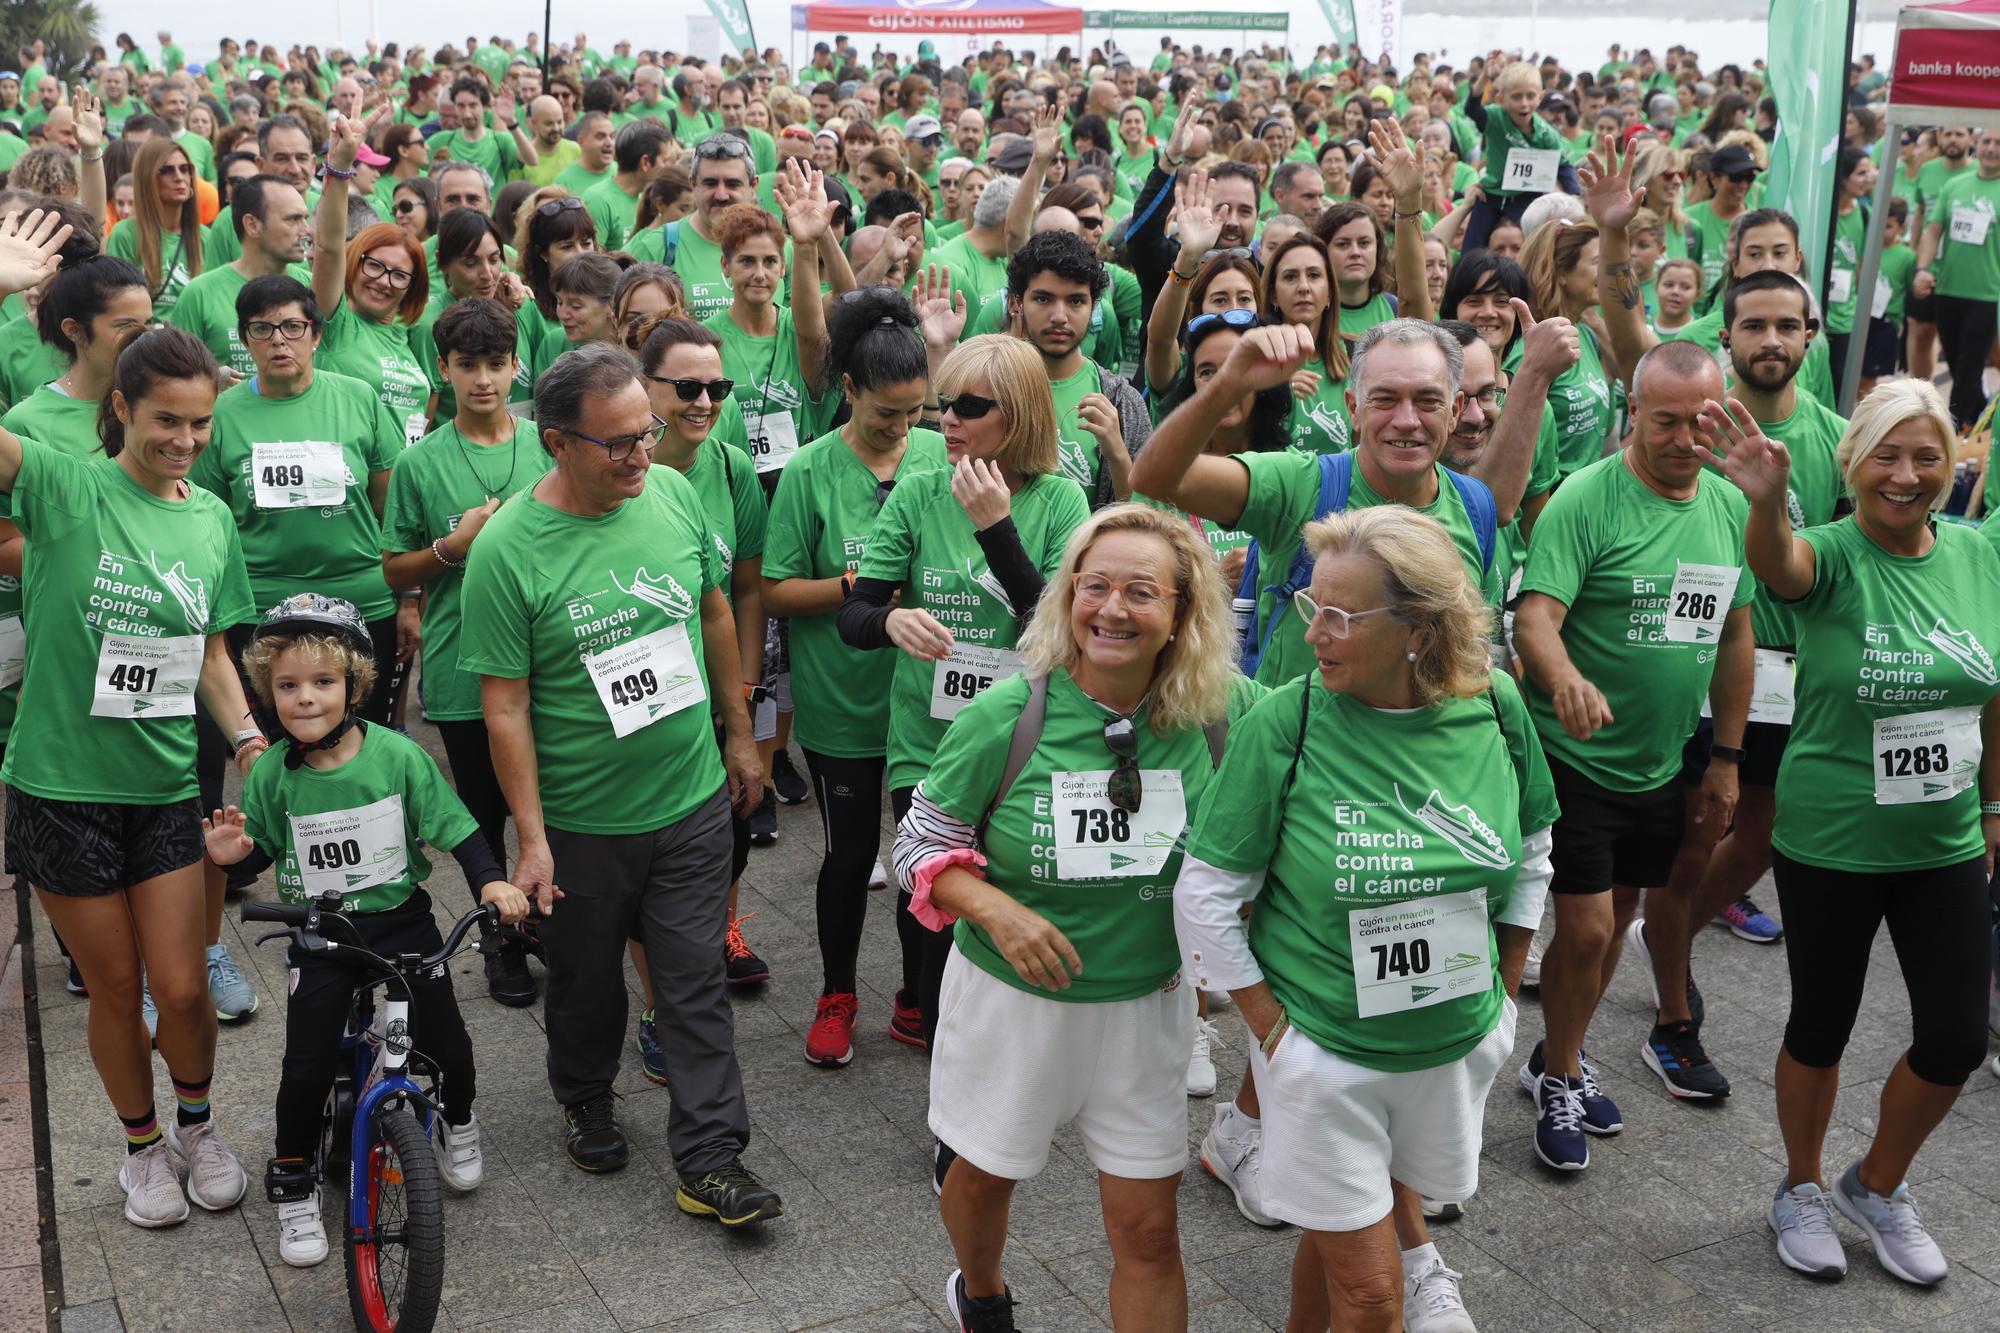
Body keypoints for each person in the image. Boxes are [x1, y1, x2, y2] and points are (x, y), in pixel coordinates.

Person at [1178, 505, 1557, 1333]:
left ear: (1421, 627)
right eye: (1313, 606)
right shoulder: (1291, 718)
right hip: (1326, 1054)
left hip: (1449, 1049)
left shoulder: (1493, 705)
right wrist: (1274, 1036)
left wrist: (1504, 991)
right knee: (1377, 1296)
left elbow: (1531, 851)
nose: (1315, 633)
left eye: (1341, 616)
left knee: (1338, 1241)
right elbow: (1204, 892)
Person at [897, 503, 1239, 1333]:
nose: (1112, 609)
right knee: (981, 1181)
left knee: (1151, 1230)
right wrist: (992, 907)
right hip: (1013, 1005)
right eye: (1095, 587)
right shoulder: (1010, 715)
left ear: (1181, 614)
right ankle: (980, 1290)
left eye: (1141, 592)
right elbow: (918, 844)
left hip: (1144, 1007)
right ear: (1068, 595)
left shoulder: (1224, 715)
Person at [459, 345, 780, 1225]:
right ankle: (585, 1093)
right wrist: (531, 837)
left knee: (693, 984)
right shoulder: (506, 550)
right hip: (582, 825)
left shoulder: (671, 495)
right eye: (621, 443)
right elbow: (507, 708)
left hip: (688, 802)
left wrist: (741, 734)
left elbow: (714, 611)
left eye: (647, 430)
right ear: (557, 443)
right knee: (586, 982)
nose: (644, 453)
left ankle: (711, 1159)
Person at [1697, 380, 1996, 1287]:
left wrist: (1992, 810)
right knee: (1821, 1023)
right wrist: (1760, 500)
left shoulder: (1981, 557)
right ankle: (1799, 1184)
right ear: (1852, 464)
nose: (1905, 476)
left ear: (1954, 464)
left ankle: (1877, 1183)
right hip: (1831, 838)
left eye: (1926, 456)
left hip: (1943, 841)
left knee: (1955, 1038)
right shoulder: (1825, 554)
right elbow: (1779, 564)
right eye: (1886, 456)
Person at [0, 285, 261, 1227]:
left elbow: (212, 652)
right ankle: (142, 1148)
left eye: (198, 423)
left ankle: (200, 1124)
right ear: (120, 407)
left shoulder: (212, 520)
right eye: (165, 420)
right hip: (60, 787)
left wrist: (247, 736)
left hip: (162, 785)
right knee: (115, 988)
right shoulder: (64, 486)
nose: (183, 439)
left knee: (185, 984)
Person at [200, 593, 531, 1266]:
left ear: (353, 685)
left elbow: (459, 829)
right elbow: (267, 847)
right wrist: (239, 857)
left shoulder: (397, 757)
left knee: (451, 1045)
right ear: (268, 692)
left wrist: (491, 880)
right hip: (320, 931)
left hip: (399, 919)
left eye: (322, 682)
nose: (304, 698)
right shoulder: (271, 775)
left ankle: (458, 1121)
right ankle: (294, 1179)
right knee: (305, 1067)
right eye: (287, 685)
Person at [1510, 339, 1754, 1170]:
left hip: (1664, 760)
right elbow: (1535, 616)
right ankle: (1560, 1073)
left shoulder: (1725, 505)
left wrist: (1725, 755)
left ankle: (1560, 1053)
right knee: (1581, 929)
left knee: (1616, 923)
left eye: (1701, 422)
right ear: (1633, 415)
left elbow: (1734, 635)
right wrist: (1567, 678)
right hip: (1573, 758)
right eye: (1666, 421)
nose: (1685, 438)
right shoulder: (1587, 498)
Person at [839, 333, 1091, 1047]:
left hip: (1021, 742)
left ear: (1019, 415)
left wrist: (995, 529)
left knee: (1001, 897)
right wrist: (890, 620)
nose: (947, 419)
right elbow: (853, 615)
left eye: (970, 406)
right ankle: (933, 1025)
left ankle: (979, 1027)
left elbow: (1062, 627)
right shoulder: (920, 490)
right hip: (926, 740)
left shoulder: (1061, 497)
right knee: (934, 899)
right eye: (944, 404)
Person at [765, 287, 949, 1065]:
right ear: (848, 390)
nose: (903, 430)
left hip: (928, 704)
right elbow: (774, 587)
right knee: (847, 856)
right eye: (886, 414)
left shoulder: (943, 456)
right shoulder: (808, 470)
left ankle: (916, 997)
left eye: (915, 413)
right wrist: (861, 587)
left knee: (923, 861)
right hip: (841, 699)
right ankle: (838, 992)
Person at [380, 297, 549, 1006]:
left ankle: (551, 917)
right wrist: (453, 545)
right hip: (461, 665)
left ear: (517, 366)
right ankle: (501, 937)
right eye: (468, 365)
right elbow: (394, 570)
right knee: (482, 811)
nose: (484, 380)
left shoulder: (548, 441)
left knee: (553, 803)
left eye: (497, 364)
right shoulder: (420, 463)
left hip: (550, 660)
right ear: (442, 369)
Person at [635, 313, 771, 1061]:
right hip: (639, 701)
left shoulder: (732, 467)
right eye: (687, 386)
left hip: (718, 693)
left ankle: (715, 935)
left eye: (717, 387)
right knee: (647, 865)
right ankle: (658, 1009)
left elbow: (744, 588)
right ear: (644, 384)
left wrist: (743, 693)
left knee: (724, 839)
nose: (705, 400)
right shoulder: (618, 473)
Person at [189, 276, 406, 726]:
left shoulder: (358, 398)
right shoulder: (222, 414)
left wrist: (410, 600)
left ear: (316, 333)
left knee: (366, 745)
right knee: (281, 748)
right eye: (261, 329)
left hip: (363, 599)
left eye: (292, 327)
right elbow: (208, 523)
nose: (278, 341)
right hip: (264, 608)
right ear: (245, 339)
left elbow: (392, 509)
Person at [313, 110, 434, 446]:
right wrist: (340, 167)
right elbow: (328, 247)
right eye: (375, 266)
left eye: (399, 275)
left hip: (401, 488)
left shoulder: (403, 336)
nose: (383, 281)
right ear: (356, 262)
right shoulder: (335, 322)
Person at [166, 174, 309, 379]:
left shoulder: (311, 287)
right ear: (252, 225)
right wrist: (214, 382)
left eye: (306, 218)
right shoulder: (200, 293)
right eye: (293, 219)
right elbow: (175, 377)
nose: (306, 230)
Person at [1914, 127, 2000, 431]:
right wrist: (1922, 269)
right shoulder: (1955, 186)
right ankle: (1978, 418)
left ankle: (1952, 429)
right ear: (1977, 144)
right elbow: (1933, 230)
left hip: (1988, 294)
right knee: (1954, 361)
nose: (1991, 148)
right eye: (1987, 141)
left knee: (1968, 367)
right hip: (1948, 289)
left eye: (1998, 143)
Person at [108, 136, 204, 318]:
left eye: (185, 169)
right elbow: (118, 304)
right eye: (167, 171)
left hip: (194, 343)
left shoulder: (205, 236)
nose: (179, 177)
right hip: (144, 342)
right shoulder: (126, 233)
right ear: (147, 178)